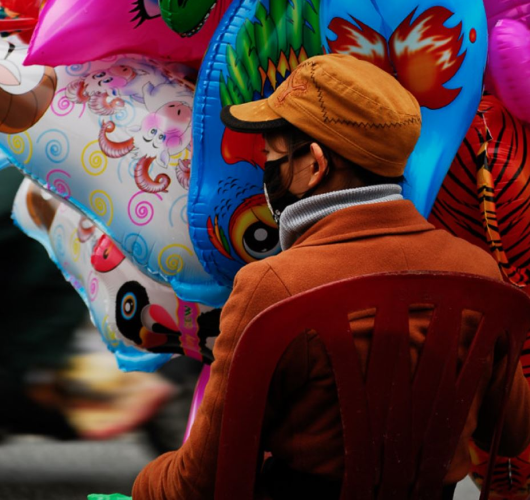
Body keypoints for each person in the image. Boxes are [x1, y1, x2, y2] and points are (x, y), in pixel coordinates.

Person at [132, 54, 530, 500]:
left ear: (315, 165)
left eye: (273, 157)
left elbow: (199, 483)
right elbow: (512, 432)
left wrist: (142, 485)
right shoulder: (478, 273)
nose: (267, 172)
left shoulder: (272, 285)